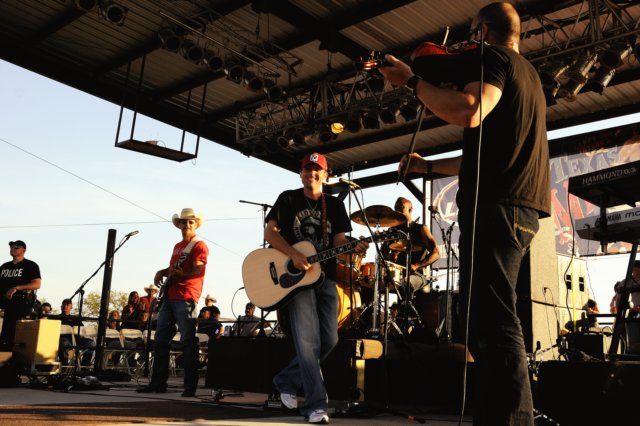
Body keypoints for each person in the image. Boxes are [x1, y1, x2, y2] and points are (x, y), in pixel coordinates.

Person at [381, 3, 550, 424]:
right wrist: (427, 168)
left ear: (482, 32)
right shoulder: (529, 77)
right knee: (484, 323)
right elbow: (480, 158)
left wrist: (412, 80)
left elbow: (468, 111)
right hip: (517, 207)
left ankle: (515, 419)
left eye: (470, 33)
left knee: (496, 321)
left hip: (499, 207)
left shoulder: (495, 60)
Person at [264, 152, 369, 424]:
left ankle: (287, 380)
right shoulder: (288, 199)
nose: (311, 173)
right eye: (307, 169)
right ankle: (315, 405)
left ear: (325, 175)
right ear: (301, 174)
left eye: (317, 169)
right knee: (308, 341)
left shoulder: (334, 205)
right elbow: (269, 232)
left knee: (330, 339)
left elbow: (338, 242)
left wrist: (353, 246)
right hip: (296, 280)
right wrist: (293, 254)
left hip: (326, 277)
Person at [137, 207, 209, 397]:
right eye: (184, 222)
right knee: (161, 340)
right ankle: (158, 383)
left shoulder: (199, 245)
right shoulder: (178, 246)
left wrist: (181, 275)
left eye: (190, 222)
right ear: (180, 225)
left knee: (188, 341)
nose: (186, 225)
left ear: (195, 224)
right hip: (170, 296)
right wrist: (161, 272)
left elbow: (198, 271)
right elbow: (172, 269)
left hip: (186, 296)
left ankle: (189, 386)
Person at [384, 197, 440, 297]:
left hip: (417, 274)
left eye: (401, 207)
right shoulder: (392, 231)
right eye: (395, 208)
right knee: (369, 283)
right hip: (396, 274)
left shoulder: (421, 229)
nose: (397, 210)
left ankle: (405, 306)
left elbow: (436, 253)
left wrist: (417, 265)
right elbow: (383, 255)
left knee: (406, 283)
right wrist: (391, 257)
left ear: (410, 209)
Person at [0, 240, 42, 350]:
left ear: (24, 250)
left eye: (16, 247)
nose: (12, 248)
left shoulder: (30, 265)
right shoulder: (4, 266)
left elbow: (37, 284)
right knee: (5, 337)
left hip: (22, 305)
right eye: (11, 247)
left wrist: (16, 288)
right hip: (6, 305)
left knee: (18, 336)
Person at [55, 298, 96, 367]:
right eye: (64, 304)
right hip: (64, 339)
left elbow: (82, 330)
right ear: (61, 306)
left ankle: (85, 366)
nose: (65, 306)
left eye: (68, 305)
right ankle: (64, 366)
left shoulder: (76, 318)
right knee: (63, 343)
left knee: (91, 343)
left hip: (77, 339)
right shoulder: (56, 318)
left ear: (71, 307)